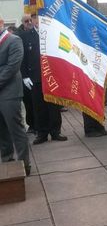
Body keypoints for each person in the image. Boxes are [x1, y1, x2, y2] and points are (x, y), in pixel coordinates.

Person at [21, 13, 67, 144]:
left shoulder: (51, 34)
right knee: (38, 106)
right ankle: (41, 133)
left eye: (37, 18)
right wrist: (24, 76)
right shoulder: (26, 36)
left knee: (53, 106)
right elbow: (23, 58)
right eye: (33, 19)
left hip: (51, 76)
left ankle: (55, 131)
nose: (35, 21)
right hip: (35, 77)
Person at [0, 14, 31, 176]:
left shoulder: (13, 40)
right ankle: (7, 160)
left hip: (10, 92)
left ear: (1, 23)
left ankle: (24, 164)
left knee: (15, 129)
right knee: (1, 130)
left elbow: (12, 67)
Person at [16, 14, 35, 134]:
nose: (29, 22)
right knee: (28, 101)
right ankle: (32, 125)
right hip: (25, 74)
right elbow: (20, 58)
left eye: (30, 20)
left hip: (35, 73)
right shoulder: (18, 36)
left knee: (36, 102)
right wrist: (24, 76)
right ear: (22, 22)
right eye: (26, 21)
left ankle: (38, 124)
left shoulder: (35, 33)